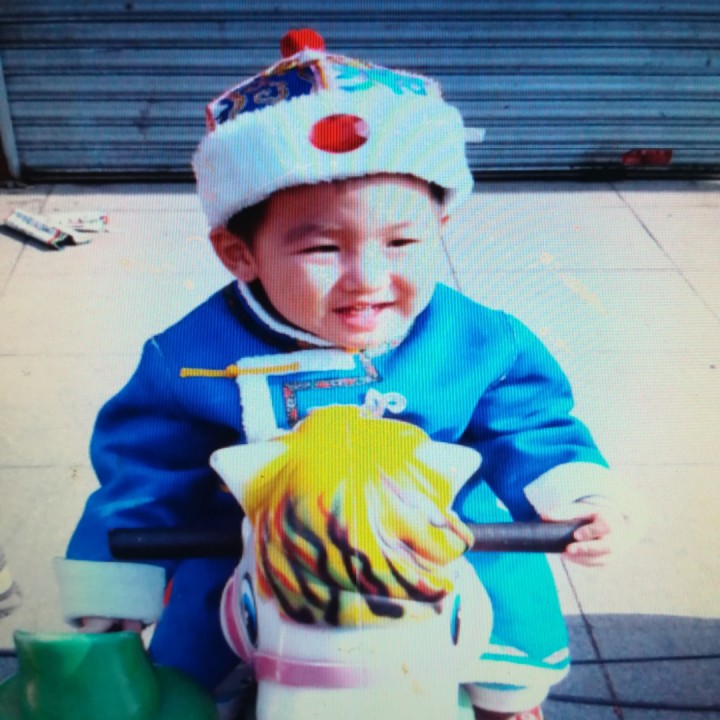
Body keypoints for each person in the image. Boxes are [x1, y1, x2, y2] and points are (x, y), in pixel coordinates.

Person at [56, 29, 636, 720]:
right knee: (184, 670)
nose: (369, 279)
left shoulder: (478, 338)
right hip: (260, 541)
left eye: (403, 241)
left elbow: (530, 420)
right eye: (324, 248)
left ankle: (505, 698)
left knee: (508, 617)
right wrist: (116, 579)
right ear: (239, 253)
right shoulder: (192, 354)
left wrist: (570, 493)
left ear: (440, 227)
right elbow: (144, 469)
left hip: (438, 532)